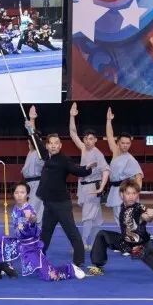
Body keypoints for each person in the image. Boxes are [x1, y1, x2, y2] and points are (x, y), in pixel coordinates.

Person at [27, 110, 95, 271]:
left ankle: (79, 261)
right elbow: (35, 141)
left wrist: (87, 168)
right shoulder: (46, 156)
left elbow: (77, 170)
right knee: (45, 234)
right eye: (50, 143)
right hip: (49, 204)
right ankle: (38, 259)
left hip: (62, 204)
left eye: (56, 143)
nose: (53, 145)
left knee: (72, 232)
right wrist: (31, 124)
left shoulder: (64, 160)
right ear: (47, 145)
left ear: (60, 145)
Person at [0, 183, 84, 281]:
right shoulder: (16, 207)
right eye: (16, 193)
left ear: (27, 194)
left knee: (49, 275)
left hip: (31, 248)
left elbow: (33, 220)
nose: (19, 195)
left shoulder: (29, 209)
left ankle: (70, 269)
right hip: (19, 243)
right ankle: (6, 265)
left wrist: (31, 219)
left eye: (22, 192)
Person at [68, 103, 110, 250]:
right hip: (84, 185)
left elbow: (106, 170)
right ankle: (95, 243)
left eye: (91, 138)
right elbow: (73, 134)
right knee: (96, 219)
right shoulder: (83, 149)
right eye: (86, 138)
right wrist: (72, 116)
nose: (87, 141)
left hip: (93, 187)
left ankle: (82, 243)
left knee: (87, 216)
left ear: (95, 140)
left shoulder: (98, 154)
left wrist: (101, 188)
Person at [105, 107, 143, 227]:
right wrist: (108, 121)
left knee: (127, 219)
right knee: (118, 217)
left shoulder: (131, 159)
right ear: (118, 143)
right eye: (123, 143)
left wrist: (135, 194)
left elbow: (139, 177)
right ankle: (125, 237)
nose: (125, 145)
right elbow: (110, 135)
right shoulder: (115, 152)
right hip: (115, 189)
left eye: (128, 143)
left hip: (126, 190)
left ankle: (132, 237)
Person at [21, 106, 45, 223]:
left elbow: (33, 136)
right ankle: (34, 231)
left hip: (37, 184)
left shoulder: (40, 152)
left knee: (32, 211)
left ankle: (35, 231)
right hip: (29, 185)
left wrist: (32, 120)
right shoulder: (30, 152)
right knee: (32, 212)